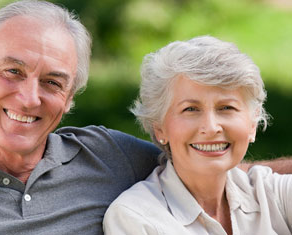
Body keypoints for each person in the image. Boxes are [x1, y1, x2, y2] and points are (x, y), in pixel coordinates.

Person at [0, 1, 160, 234]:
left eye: (52, 83)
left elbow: (195, 170)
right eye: (13, 71)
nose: (30, 99)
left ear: (70, 96)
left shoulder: (111, 157)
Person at [103, 36, 292, 234]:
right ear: (159, 128)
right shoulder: (135, 218)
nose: (211, 128)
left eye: (226, 107)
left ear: (252, 124)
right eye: (191, 109)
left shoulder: (273, 192)